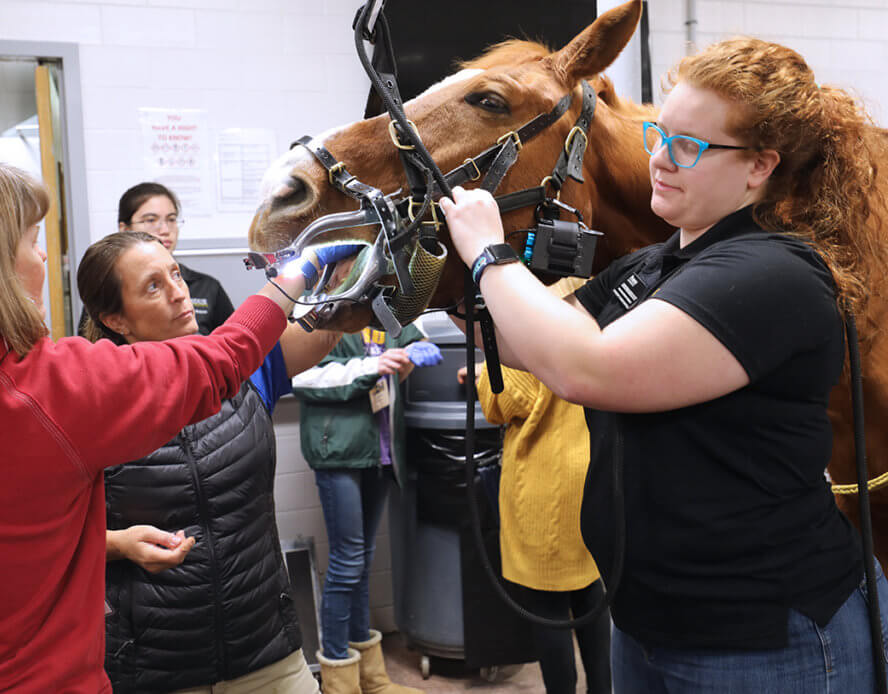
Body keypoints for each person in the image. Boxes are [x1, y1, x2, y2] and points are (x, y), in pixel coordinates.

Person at [439, 38, 888, 693]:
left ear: (760, 166)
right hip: (652, 621)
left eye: (689, 146)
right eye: (661, 134)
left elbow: (582, 368)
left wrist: (486, 253)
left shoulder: (774, 272)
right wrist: (429, 271)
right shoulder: (655, 265)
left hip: (767, 637)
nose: (659, 159)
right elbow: (519, 342)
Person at [0, 154, 330, 693]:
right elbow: (220, 361)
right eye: (33, 241)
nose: (44, 259)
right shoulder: (47, 393)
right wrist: (298, 273)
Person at [78, 230, 348, 694]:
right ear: (115, 319)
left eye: (175, 273)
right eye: (152, 286)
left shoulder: (240, 367)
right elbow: (44, 536)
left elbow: (329, 324)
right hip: (157, 665)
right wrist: (119, 543)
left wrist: (356, 262)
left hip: (267, 650)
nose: (179, 291)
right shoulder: (92, 408)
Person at [458, 278, 611, 694]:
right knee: (591, 600)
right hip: (591, 469)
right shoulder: (589, 287)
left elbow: (504, 402)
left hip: (548, 484)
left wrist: (484, 375)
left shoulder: (526, 308)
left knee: (549, 610)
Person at [292, 328, 441, 694]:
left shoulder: (383, 309)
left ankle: (372, 679)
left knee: (361, 561)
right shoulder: (318, 312)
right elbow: (302, 377)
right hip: (338, 453)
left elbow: (415, 338)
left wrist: (414, 352)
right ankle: (340, 683)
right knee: (347, 564)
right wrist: (372, 365)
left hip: (379, 452)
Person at [78, 181, 234, 338]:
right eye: (151, 220)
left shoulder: (208, 286)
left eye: (171, 219)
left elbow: (232, 344)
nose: (164, 230)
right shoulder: (107, 287)